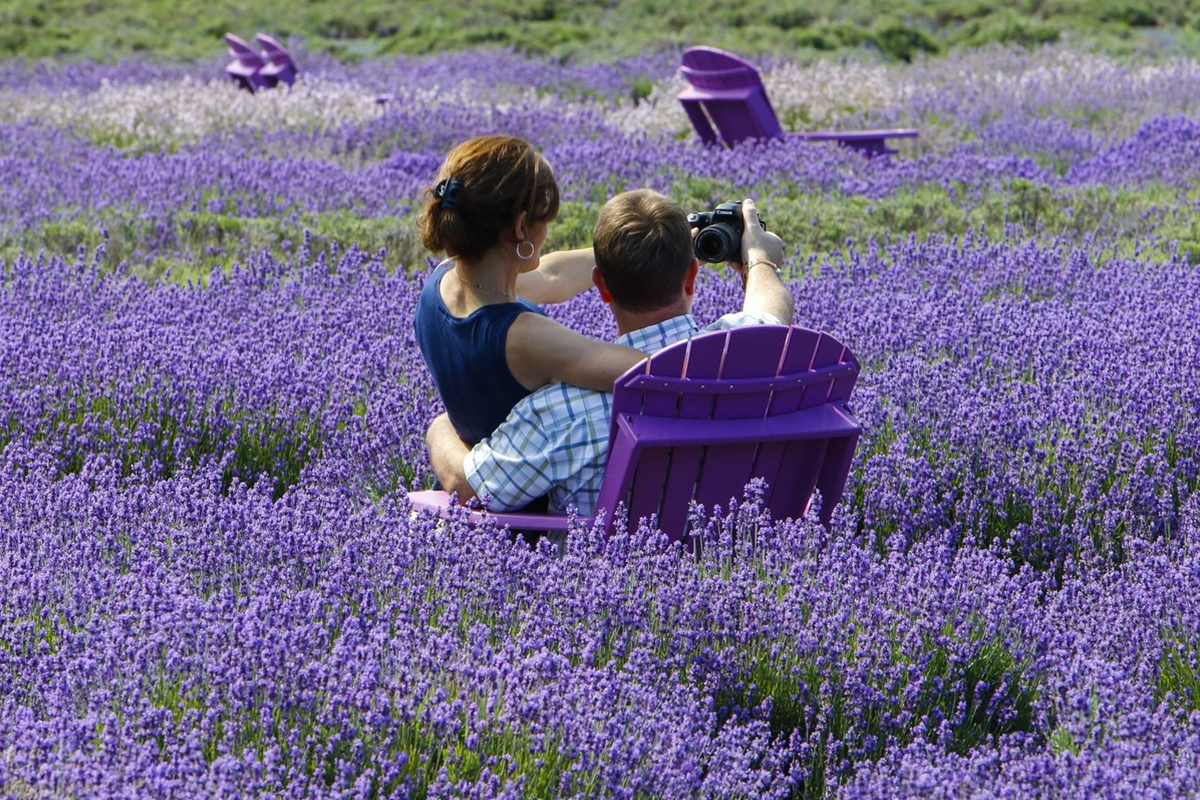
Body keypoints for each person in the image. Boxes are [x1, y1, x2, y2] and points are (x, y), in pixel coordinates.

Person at [424, 189, 794, 514]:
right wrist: (758, 259)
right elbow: (771, 308)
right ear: (691, 277)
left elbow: (469, 485)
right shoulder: (741, 360)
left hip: (596, 584)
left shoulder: (561, 411)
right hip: (732, 569)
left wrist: (439, 428)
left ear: (601, 287)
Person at [415, 134, 645, 446]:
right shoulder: (522, 336)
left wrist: (651, 245)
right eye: (545, 219)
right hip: (537, 492)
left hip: (483, 473)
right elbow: (651, 372)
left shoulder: (442, 284)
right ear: (522, 227)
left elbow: (553, 275)